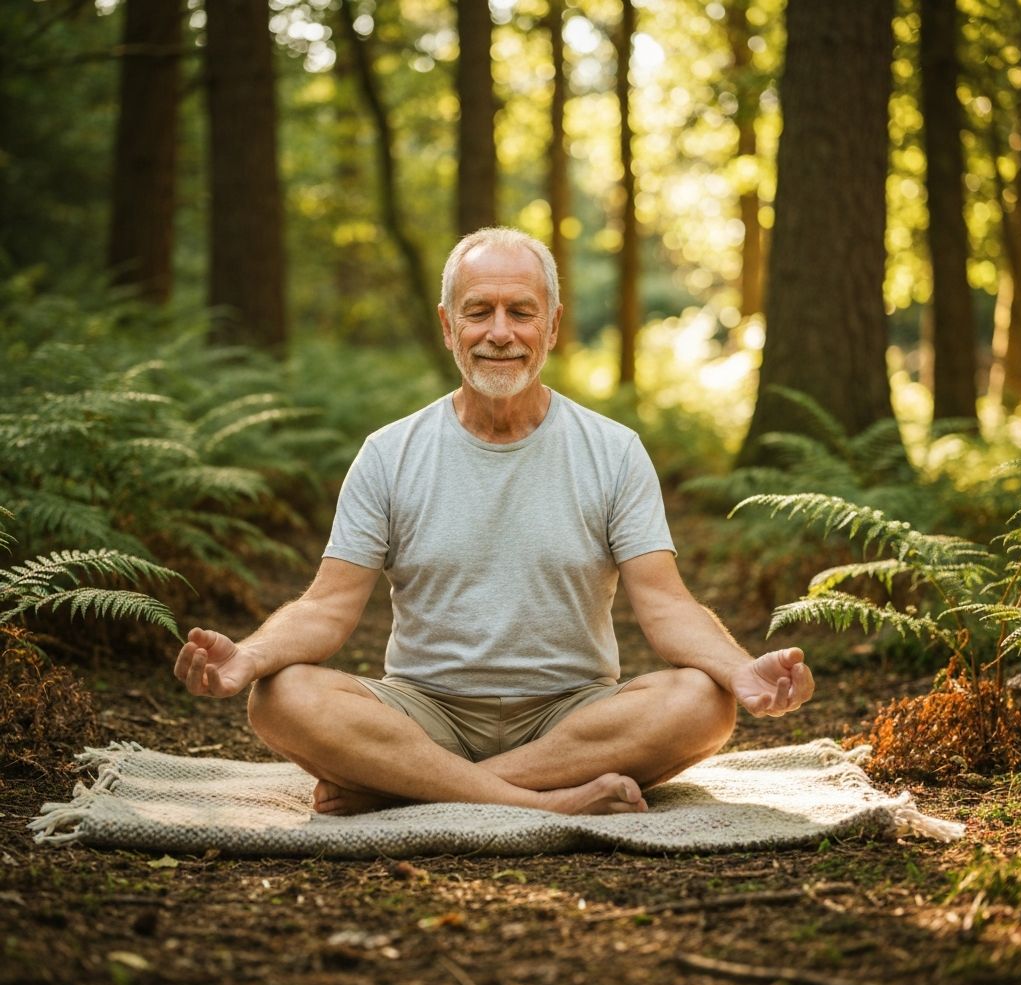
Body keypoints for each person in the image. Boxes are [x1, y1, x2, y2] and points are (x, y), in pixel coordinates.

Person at [174, 227, 814, 817]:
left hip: (573, 718)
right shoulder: (389, 453)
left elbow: (668, 607)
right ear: (448, 326)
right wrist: (249, 656)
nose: (499, 332)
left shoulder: (614, 451)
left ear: (554, 324)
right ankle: (540, 802)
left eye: (521, 312)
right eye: (478, 312)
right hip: (423, 710)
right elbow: (326, 609)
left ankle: (405, 786)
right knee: (279, 697)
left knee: (703, 702)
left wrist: (737, 670)